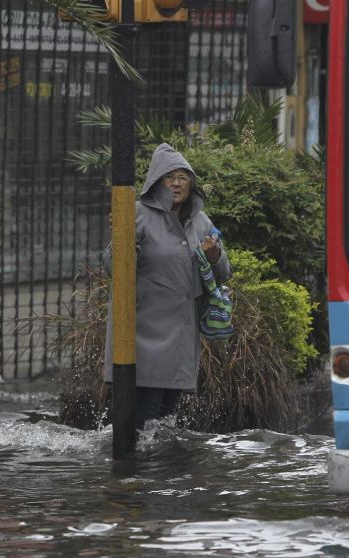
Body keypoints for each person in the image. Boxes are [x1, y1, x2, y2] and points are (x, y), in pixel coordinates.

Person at [103, 143, 232, 430]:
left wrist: (215, 256)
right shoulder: (135, 213)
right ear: (155, 182)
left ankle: (160, 472)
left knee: (166, 422)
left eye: (183, 177)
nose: (176, 183)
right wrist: (125, 240)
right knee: (145, 419)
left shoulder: (200, 222)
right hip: (144, 336)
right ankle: (138, 472)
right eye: (169, 176)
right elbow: (113, 268)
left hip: (181, 341)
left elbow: (224, 273)